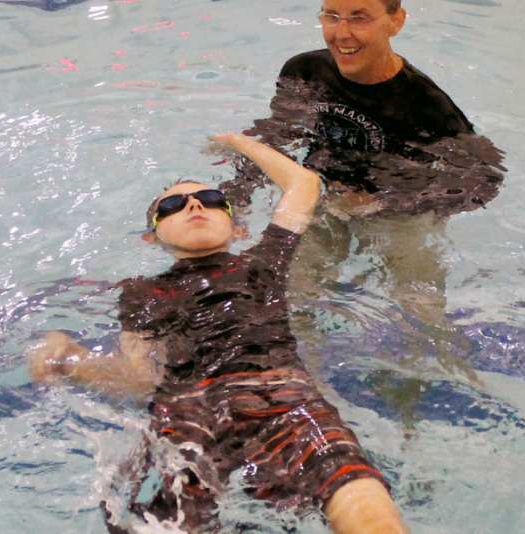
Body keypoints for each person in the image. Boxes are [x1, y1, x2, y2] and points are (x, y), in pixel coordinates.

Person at [29, 133, 409, 534]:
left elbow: (304, 185)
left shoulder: (264, 264)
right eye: (173, 205)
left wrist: (239, 142)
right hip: (190, 411)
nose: (194, 204)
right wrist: (70, 360)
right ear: (152, 236)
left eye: (212, 199)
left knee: (365, 502)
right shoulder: (141, 294)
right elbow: (141, 378)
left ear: (239, 228)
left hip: (282, 396)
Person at [220, 0, 505, 383]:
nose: (342, 33)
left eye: (359, 17)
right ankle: (306, 387)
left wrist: (386, 200)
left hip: (398, 210)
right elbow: (278, 135)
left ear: (396, 22)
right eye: (331, 16)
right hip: (324, 196)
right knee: (292, 297)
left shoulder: (428, 106)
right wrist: (235, 196)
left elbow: (484, 179)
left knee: (419, 310)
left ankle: (433, 382)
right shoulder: (306, 71)